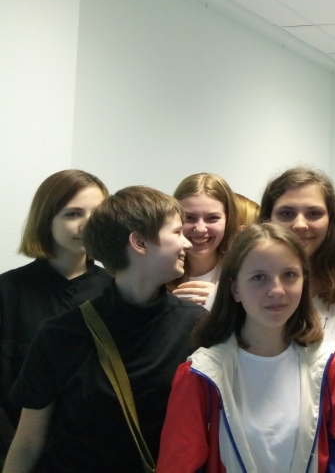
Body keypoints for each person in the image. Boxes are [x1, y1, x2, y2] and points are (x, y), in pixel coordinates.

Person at [5, 186, 207, 473]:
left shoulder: (196, 325)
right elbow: (27, 442)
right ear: (140, 242)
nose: (187, 243)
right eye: (177, 232)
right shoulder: (60, 335)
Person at [158, 223, 335, 473]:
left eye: (289, 275)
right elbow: (179, 464)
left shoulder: (325, 363)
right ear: (235, 289)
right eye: (259, 278)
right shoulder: (201, 373)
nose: (277, 290)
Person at [0, 170, 112, 456]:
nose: (87, 224)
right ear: (45, 218)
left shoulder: (116, 292)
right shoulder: (8, 291)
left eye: (97, 214)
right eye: (73, 214)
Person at [260, 168, 335, 360]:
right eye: (286, 213)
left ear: (331, 220)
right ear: (267, 220)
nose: (300, 224)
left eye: (313, 213)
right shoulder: (245, 283)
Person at [171, 173, 240, 309]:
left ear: (228, 220)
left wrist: (222, 301)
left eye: (212, 218)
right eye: (189, 218)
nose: (200, 229)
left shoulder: (241, 273)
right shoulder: (158, 271)